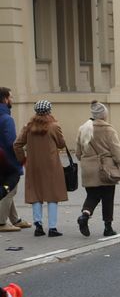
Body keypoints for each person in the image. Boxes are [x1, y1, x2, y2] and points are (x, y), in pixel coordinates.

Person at [14, 100, 68, 237]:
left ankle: (38, 225)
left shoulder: (28, 126)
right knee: (52, 195)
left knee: (36, 194)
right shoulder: (54, 126)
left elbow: (17, 145)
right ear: (49, 111)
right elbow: (61, 144)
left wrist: (23, 160)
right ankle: (52, 228)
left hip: (33, 165)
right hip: (51, 165)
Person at [75, 102, 120, 237]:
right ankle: (108, 228)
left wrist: (87, 161)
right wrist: (118, 163)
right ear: (104, 115)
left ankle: (85, 215)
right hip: (106, 168)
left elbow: (78, 153)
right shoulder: (108, 129)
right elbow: (117, 150)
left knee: (92, 195)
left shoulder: (83, 129)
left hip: (88, 168)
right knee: (108, 197)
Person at [0, 87, 30, 232]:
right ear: (5, 99)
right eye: (11, 97)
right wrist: (20, 160)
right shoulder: (7, 119)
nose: (12, 99)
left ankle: (15, 219)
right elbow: (11, 143)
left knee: (7, 189)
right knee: (10, 191)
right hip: (7, 162)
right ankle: (1, 222)